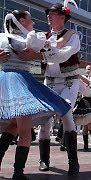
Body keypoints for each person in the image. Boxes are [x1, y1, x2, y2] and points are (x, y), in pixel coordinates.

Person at [0, 10, 72, 180]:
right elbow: (53, 50)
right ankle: (18, 172)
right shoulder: (29, 39)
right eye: (30, 20)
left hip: (5, 81)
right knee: (24, 130)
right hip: (19, 82)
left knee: (14, 126)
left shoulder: (3, 37)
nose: (33, 24)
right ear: (22, 21)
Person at [16, 3, 81, 176]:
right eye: (48, 14)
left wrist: (38, 55)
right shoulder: (42, 36)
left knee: (66, 113)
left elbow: (63, 55)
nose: (48, 17)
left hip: (69, 81)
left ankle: (73, 162)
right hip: (50, 81)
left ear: (62, 17)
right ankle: (44, 159)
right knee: (44, 122)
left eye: (52, 14)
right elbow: (24, 47)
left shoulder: (72, 36)